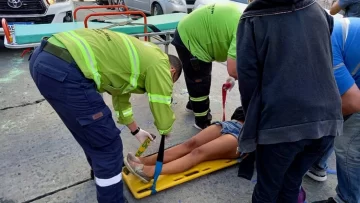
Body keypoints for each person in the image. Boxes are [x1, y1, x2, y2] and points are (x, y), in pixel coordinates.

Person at [28, 28, 183, 203]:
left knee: (90, 133)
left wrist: (136, 130)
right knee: (108, 147)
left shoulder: (139, 57)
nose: (168, 84)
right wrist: (166, 128)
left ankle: (104, 176)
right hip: (66, 69)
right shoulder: (160, 63)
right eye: (171, 81)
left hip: (43, 60)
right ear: (171, 71)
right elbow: (160, 100)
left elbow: (120, 95)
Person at [235, 0, 343, 202]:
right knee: (291, 182)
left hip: (281, 123)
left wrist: (253, 125)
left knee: (267, 189)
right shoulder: (316, 9)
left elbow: (248, 79)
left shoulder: (253, 19)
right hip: (327, 120)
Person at [307, 17, 360, 203]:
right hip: (355, 76)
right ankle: (316, 164)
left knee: (348, 144)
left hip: (357, 96)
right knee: (332, 115)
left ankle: (347, 199)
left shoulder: (326, 46)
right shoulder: (326, 30)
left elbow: (353, 103)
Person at [124, 107, 245, 182]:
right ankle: (144, 161)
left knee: (199, 152)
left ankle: (150, 172)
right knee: (190, 143)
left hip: (245, 136)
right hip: (233, 124)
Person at [171, 2, 242, 130]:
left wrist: (233, 78)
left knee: (195, 75)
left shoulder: (246, 19)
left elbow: (240, 61)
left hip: (193, 30)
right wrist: (235, 76)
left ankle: (193, 105)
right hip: (190, 37)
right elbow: (233, 69)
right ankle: (201, 122)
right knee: (199, 82)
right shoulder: (244, 30)